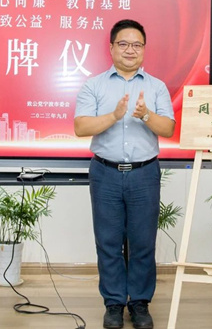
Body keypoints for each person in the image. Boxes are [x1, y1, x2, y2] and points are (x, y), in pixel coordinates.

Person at [74, 19, 175, 329]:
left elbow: (168, 128)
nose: (130, 50)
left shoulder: (156, 86)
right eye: (124, 44)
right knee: (108, 242)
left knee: (143, 242)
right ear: (111, 47)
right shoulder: (94, 85)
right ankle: (114, 303)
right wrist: (115, 115)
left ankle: (140, 303)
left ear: (144, 49)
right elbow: (81, 127)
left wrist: (145, 115)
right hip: (105, 173)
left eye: (137, 45)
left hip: (144, 174)